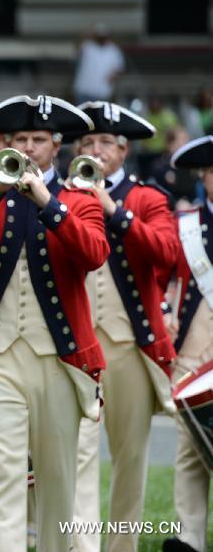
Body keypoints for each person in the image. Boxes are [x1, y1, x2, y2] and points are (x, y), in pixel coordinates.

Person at [0, 95, 109, 551]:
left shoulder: (80, 199)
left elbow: (93, 254)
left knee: (57, 480)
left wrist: (49, 203)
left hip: (60, 359)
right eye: (20, 140)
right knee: (2, 475)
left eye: (38, 139)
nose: (29, 148)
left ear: (57, 146)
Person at [69, 101, 178, 552]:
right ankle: (84, 545)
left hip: (131, 346)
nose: (95, 150)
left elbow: (167, 253)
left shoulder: (147, 198)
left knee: (130, 456)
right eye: (87, 142)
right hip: (75, 345)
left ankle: (122, 546)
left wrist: (115, 211)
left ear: (123, 149)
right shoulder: (62, 194)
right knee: (77, 455)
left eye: (104, 143)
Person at [161, 135, 213, 552]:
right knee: (191, 447)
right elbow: (163, 280)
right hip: (195, 349)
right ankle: (189, 536)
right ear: (203, 176)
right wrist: (163, 310)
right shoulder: (186, 226)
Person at [72, 23, 125, 104]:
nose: (102, 39)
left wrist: (112, 78)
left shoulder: (113, 50)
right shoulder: (88, 46)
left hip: (102, 92)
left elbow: (119, 69)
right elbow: (77, 48)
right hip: (83, 90)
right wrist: (87, 33)